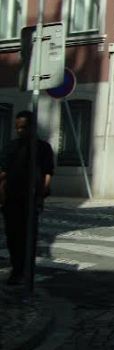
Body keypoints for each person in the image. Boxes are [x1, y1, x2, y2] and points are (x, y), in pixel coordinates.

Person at [1, 111, 54, 286]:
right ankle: (17, 270)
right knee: (12, 237)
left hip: (31, 200)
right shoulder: (11, 147)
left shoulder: (43, 148)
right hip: (11, 199)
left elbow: (47, 173)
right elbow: (3, 174)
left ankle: (27, 271)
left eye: (23, 127)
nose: (19, 131)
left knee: (29, 237)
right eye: (17, 128)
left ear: (32, 127)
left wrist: (42, 195)